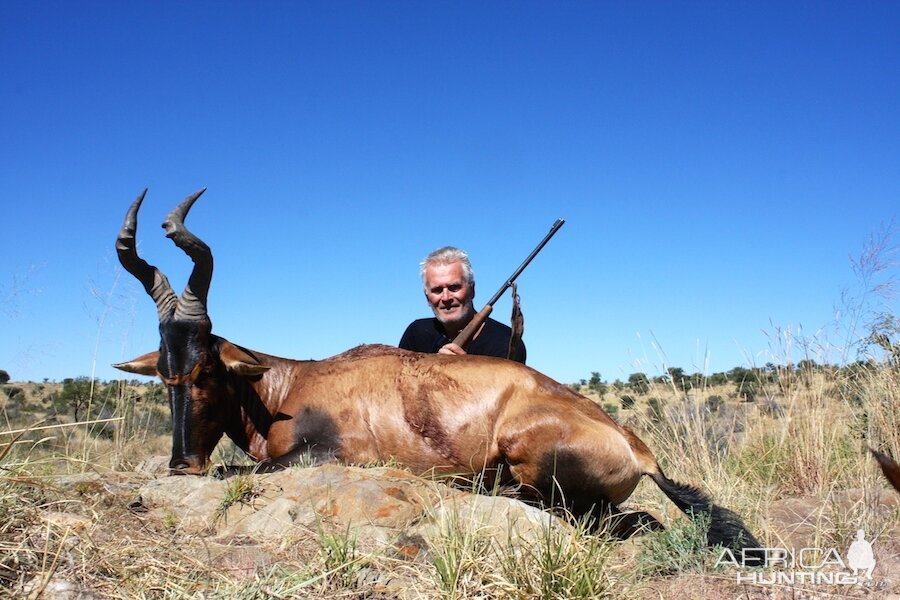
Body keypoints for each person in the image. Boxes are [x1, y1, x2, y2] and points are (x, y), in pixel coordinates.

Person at [399, 246, 526, 363]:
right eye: (437, 290)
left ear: (472, 290)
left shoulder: (506, 343)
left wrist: (464, 368)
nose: (446, 297)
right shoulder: (416, 334)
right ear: (427, 298)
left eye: (454, 287)